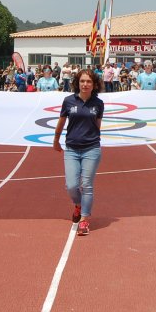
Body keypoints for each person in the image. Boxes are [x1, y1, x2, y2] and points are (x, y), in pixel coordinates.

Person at [52, 69, 105, 236]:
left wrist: (93, 139)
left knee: (87, 185)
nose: (85, 84)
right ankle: (78, 204)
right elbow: (61, 122)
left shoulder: (98, 103)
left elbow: (97, 125)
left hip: (92, 148)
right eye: (82, 81)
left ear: (94, 85)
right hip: (72, 149)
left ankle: (84, 220)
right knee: (71, 186)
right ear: (77, 83)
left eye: (89, 81)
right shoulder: (68, 101)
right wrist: (56, 140)